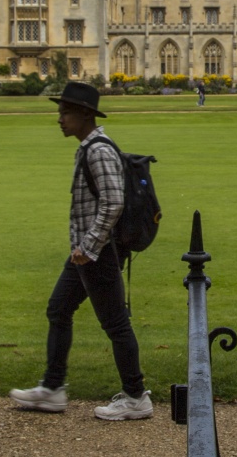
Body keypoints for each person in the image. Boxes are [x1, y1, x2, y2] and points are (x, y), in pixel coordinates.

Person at [9, 82, 152, 420]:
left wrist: (89, 247)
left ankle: (135, 396)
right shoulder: (88, 147)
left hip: (97, 252)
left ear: (85, 115)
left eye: (65, 113)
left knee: (115, 323)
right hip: (84, 252)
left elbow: (114, 202)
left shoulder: (98, 150)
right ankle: (52, 388)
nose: (59, 119)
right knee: (58, 309)